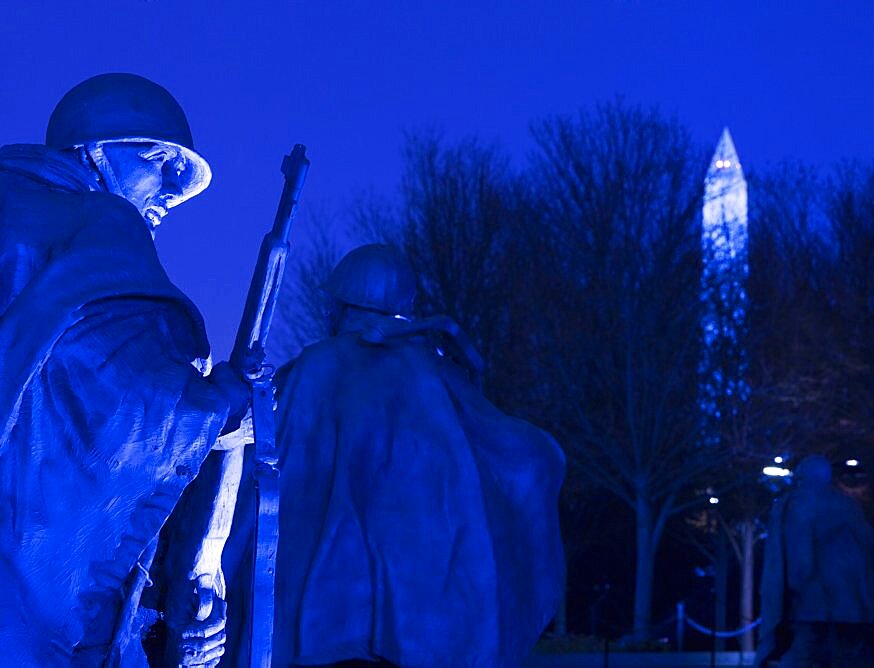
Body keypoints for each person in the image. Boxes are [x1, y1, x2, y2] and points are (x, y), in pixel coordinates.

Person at [0, 73, 249, 666]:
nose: (171, 187)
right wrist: (218, 408)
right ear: (94, 151)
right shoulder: (103, 225)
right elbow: (121, 397)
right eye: (160, 159)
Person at [223, 244, 566, 667]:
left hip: (329, 606)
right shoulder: (434, 369)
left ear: (346, 301)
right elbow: (509, 446)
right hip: (422, 607)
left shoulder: (321, 366)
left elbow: (276, 464)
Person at [756, 455, 874, 668]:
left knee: (804, 652)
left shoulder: (791, 504)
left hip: (808, 600)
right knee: (845, 656)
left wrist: (788, 591)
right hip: (851, 604)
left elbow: (790, 556)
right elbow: (872, 547)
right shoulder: (847, 505)